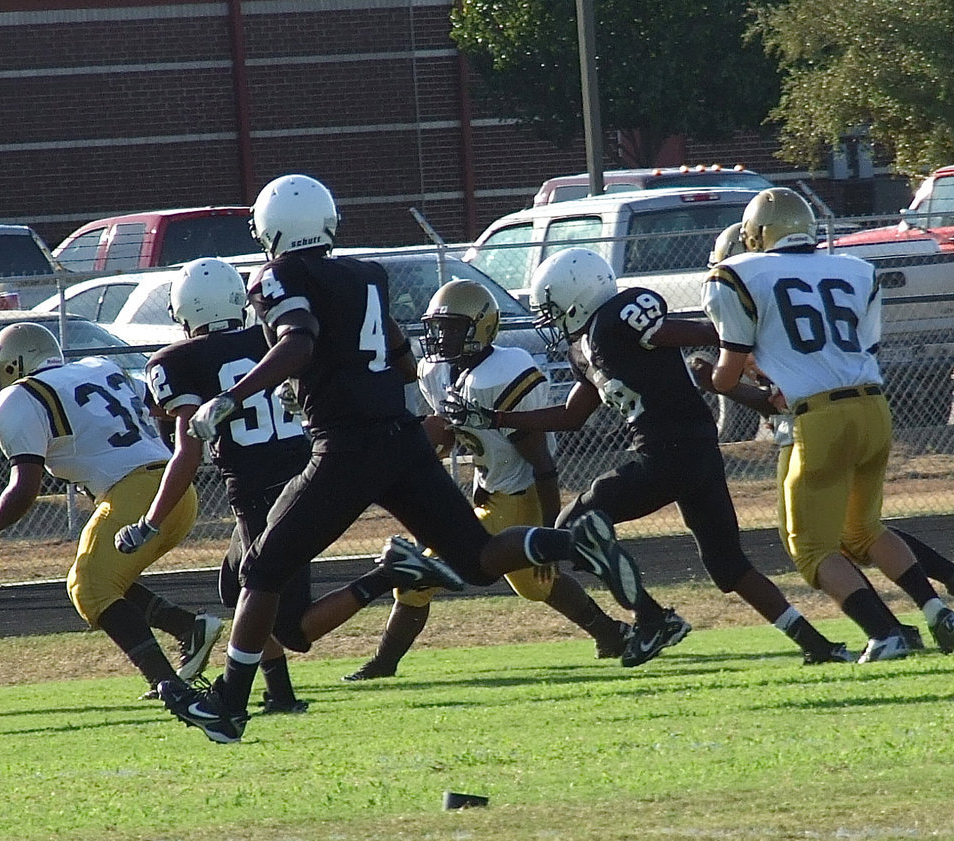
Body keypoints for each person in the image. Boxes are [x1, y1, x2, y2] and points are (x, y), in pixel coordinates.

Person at [157, 173, 659, 744]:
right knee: (474, 559)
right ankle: (574, 542)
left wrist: (232, 396)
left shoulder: (279, 275)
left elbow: (298, 342)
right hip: (401, 436)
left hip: (345, 446)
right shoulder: (365, 274)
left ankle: (229, 704)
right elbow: (398, 358)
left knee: (261, 569)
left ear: (271, 230)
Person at [441, 246, 852, 670]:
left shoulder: (616, 318)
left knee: (575, 526)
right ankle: (817, 643)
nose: (549, 318)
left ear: (574, 295)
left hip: (666, 452)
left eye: (551, 307)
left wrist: (735, 340)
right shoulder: (585, 346)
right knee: (727, 566)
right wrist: (495, 417)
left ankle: (653, 619)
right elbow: (572, 415)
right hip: (695, 454)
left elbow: (679, 332)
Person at [113, 258, 464, 717]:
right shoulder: (267, 335)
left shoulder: (176, 361)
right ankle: (279, 695)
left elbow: (185, 452)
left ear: (184, 312)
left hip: (261, 493)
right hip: (303, 470)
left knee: (293, 627)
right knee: (237, 590)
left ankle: (392, 572)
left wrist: (150, 523)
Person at [701, 187, 954, 663]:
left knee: (811, 548)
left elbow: (726, 373)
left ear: (759, 234)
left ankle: (885, 633)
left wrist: (727, 374)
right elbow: (854, 352)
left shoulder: (737, 273)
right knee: (865, 530)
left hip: (818, 420)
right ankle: (934, 608)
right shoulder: (854, 269)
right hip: (874, 410)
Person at [344, 279, 628, 681]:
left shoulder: (502, 375)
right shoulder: (438, 371)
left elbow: (543, 464)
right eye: (437, 327)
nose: (440, 337)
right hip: (486, 491)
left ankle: (383, 663)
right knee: (534, 585)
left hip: (517, 494)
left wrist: (549, 534)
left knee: (420, 576)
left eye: (451, 328)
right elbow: (444, 426)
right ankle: (612, 633)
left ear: (480, 327)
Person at [0, 321, 223, 697]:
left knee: (87, 587)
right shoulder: (100, 368)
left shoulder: (19, 398)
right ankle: (187, 627)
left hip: (133, 494)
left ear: (11, 366)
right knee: (107, 581)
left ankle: (167, 682)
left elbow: (25, 485)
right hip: (177, 491)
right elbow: (161, 405)